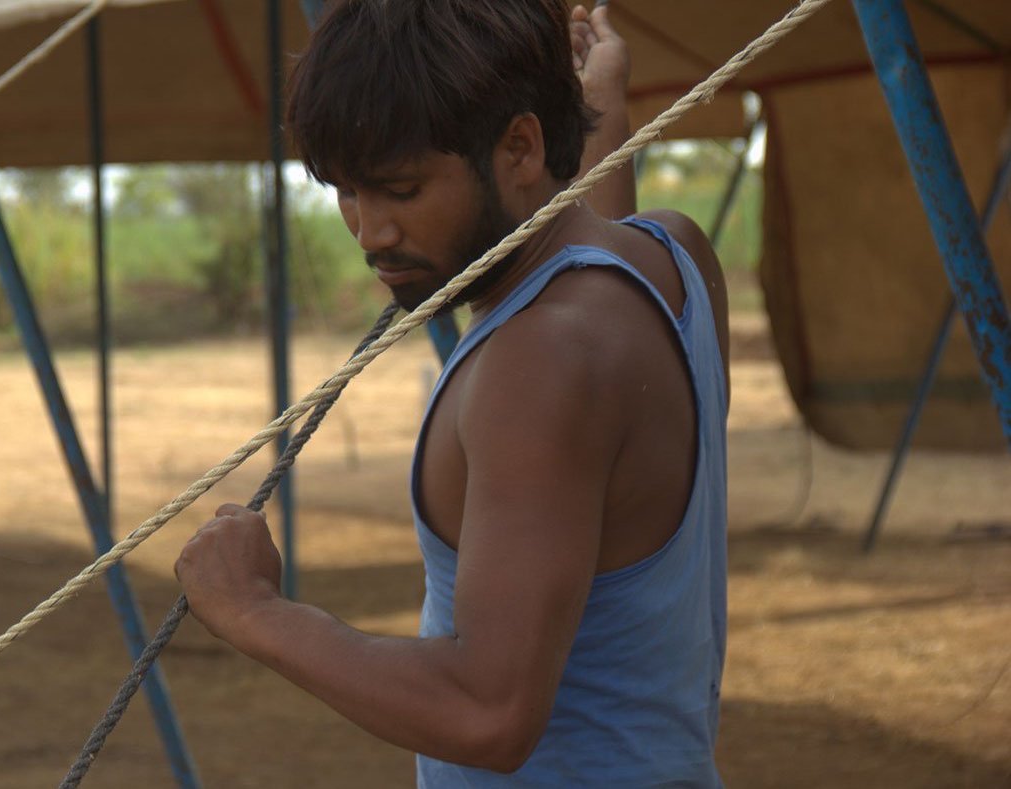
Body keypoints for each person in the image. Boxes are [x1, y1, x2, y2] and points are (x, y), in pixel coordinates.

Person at [175, 1, 731, 785]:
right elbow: (585, 243)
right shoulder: (672, 261)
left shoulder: (537, 362)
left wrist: (255, 611)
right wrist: (598, 111)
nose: (370, 233)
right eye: (346, 193)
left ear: (521, 146)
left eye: (400, 189)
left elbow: (489, 711)